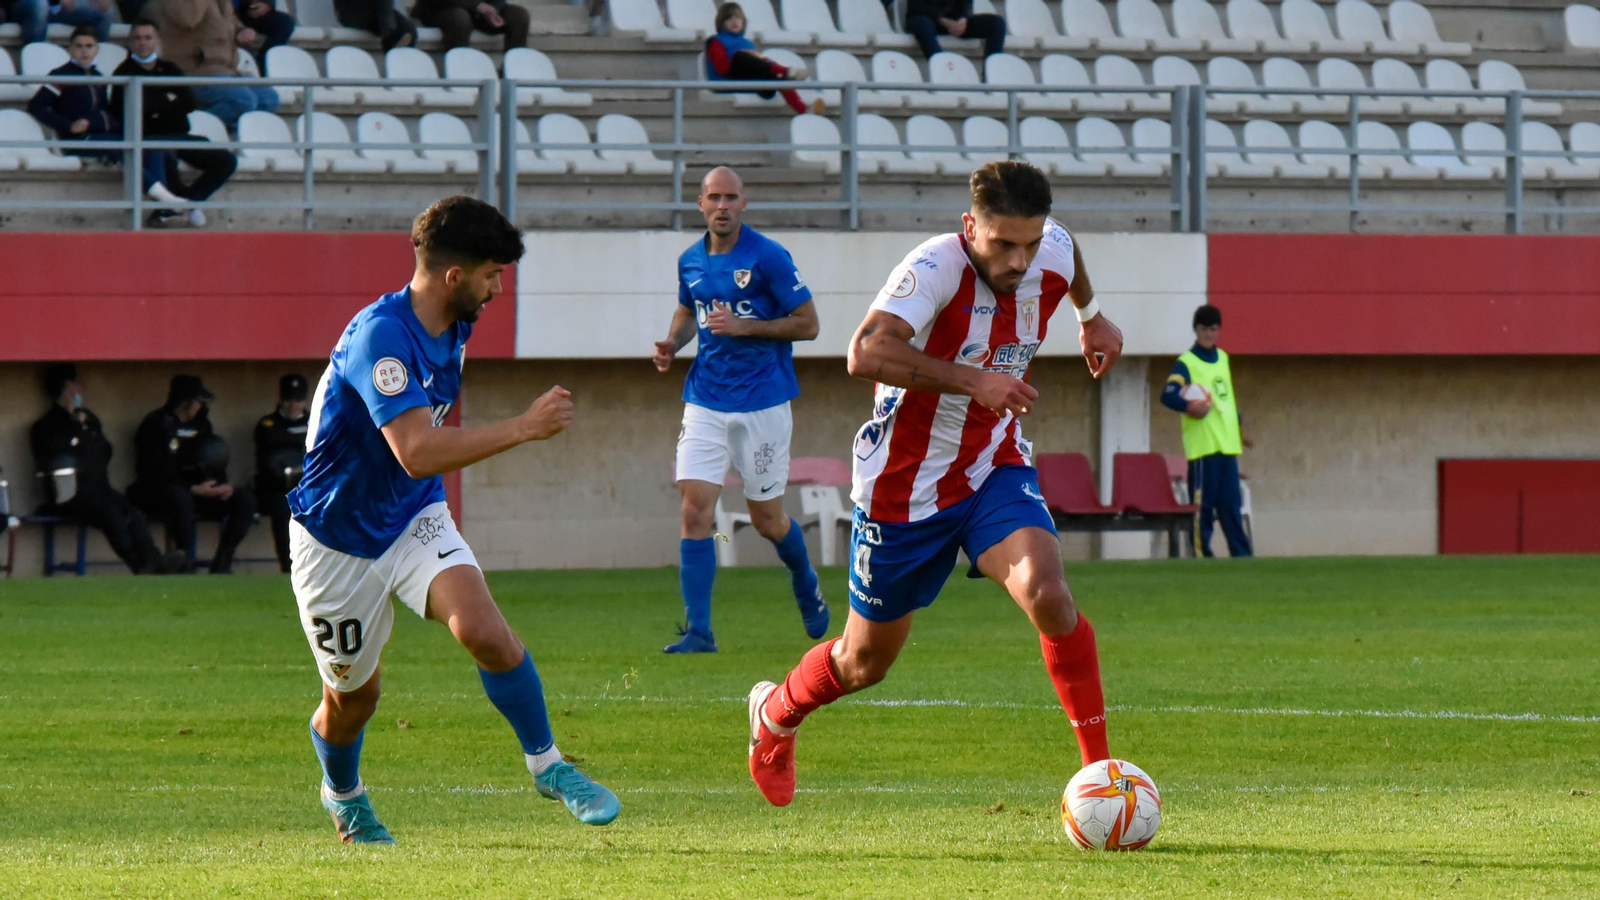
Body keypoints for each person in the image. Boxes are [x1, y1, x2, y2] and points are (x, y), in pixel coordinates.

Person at [743, 161, 1126, 807]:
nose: (1019, 260)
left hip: (992, 464)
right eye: (1003, 244)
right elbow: (865, 352)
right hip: (904, 487)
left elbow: (1067, 249)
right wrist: (975, 380)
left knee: (1048, 593)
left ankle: (1101, 778)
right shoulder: (935, 268)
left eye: (1030, 243)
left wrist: (1090, 315)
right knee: (864, 663)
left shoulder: (1050, 247)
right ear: (969, 226)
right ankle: (776, 713)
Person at [288, 196, 619, 844]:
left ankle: (549, 766)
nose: (497, 289)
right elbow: (415, 450)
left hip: (413, 513)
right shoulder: (381, 338)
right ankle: (343, 794)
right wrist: (523, 427)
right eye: (492, 275)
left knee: (485, 632)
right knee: (353, 701)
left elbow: (417, 466)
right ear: (453, 276)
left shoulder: (454, 326)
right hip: (336, 540)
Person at [652, 166, 829, 654]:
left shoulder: (768, 256)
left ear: (743, 203)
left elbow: (809, 324)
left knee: (767, 519)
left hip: (763, 402)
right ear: (701, 204)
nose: (723, 206)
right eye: (714, 197)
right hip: (705, 399)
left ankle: (805, 578)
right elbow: (689, 310)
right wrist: (672, 343)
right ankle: (699, 632)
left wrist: (746, 327)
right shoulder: (690, 260)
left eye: (731, 197)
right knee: (694, 511)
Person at [28, 363, 186, 575]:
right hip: (69, 496)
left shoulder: (89, 420)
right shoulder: (47, 426)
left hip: (99, 489)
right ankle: (139, 566)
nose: (81, 388)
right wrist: (75, 428)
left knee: (133, 513)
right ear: (67, 387)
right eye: (76, 384)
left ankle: (154, 560)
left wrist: (83, 430)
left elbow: (103, 450)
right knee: (111, 515)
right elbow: (57, 456)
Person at [26, 26, 186, 210]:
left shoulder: (99, 77)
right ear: (70, 49)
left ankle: (164, 206)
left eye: (89, 46)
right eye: (79, 46)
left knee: (150, 146)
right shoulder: (61, 76)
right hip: (77, 140)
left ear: (97, 49)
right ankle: (167, 201)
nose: (84, 51)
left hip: (101, 135)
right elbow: (36, 105)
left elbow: (103, 112)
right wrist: (68, 126)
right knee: (121, 148)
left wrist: (99, 123)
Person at [110, 20, 238, 229]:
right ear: (130, 42)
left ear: (158, 40)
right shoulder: (123, 73)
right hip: (149, 139)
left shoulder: (169, 68)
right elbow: (125, 111)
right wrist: (167, 100)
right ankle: (181, 207)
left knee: (226, 161)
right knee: (163, 156)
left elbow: (188, 103)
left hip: (178, 136)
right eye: (138, 38)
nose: (143, 43)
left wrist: (155, 104)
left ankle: (180, 206)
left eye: (148, 38)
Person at [129, 374, 258, 574]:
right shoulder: (156, 424)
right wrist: (191, 488)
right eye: (197, 402)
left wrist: (219, 485)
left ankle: (222, 562)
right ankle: (184, 561)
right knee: (180, 499)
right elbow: (154, 472)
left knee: (244, 499)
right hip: (164, 493)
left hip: (201, 491)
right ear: (185, 402)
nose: (199, 407)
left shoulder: (201, 424)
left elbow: (211, 459)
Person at [1159, 304, 1254, 558]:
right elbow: (1168, 394)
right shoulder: (1186, 363)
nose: (1208, 334)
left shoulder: (1223, 358)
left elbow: (1226, 399)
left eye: (1213, 329)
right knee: (1203, 510)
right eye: (1204, 329)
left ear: (1218, 330)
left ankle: (1242, 557)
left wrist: (1239, 428)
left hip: (1227, 446)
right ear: (1196, 330)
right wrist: (1189, 407)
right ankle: (1202, 556)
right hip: (1203, 449)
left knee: (1231, 508)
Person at [153, 0, 281, 129]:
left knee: (269, 98)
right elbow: (187, 19)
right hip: (192, 71)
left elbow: (229, 22)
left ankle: (225, 132)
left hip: (225, 70)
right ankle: (191, 128)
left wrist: (241, 31)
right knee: (242, 100)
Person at [703, 2, 824, 116]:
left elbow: (761, 64)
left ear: (743, 21)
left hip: (749, 81)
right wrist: (742, 56)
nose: (734, 21)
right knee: (741, 57)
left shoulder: (747, 43)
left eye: (738, 18)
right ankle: (786, 71)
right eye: (729, 19)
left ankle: (804, 111)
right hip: (727, 81)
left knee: (779, 78)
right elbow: (723, 69)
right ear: (721, 22)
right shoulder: (716, 41)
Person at [254, 373, 309, 574]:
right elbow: (268, 462)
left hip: (311, 488)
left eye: (298, 400)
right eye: (288, 400)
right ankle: (288, 567)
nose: (293, 405)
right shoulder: (267, 424)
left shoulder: (317, 422)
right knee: (282, 507)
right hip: (277, 489)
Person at [903, 0, 1005, 61]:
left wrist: (964, 19)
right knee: (922, 23)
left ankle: (992, 72)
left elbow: (966, 5)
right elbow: (915, 7)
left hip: (954, 21)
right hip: (927, 19)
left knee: (997, 23)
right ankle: (941, 65)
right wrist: (942, 20)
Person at [411, 0, 528, 52]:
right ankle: (459, 71)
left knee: (518, 15)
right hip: (440, 8)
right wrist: (477, 6)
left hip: (479, 11)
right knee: (460, 18)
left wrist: (493, 9)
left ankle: (511, 74)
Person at [7, 0, 112, 45]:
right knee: (40, 5)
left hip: (58, 9)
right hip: (25, 6)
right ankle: (36, 60)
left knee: (106, 12)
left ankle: (97, 68)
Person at [232, 0, 295, 71]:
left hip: (244, 11)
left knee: (284, 23)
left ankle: (267, 65)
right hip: (230, 17)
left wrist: (266, 3)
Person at [333, 0, 416, 51]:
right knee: (395, 30)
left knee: (408, 30)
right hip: (353, 11)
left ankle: (389, 32)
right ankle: (389, 33)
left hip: (374, 10)